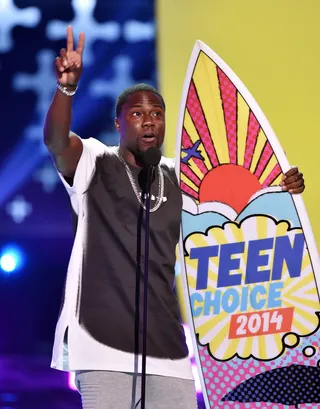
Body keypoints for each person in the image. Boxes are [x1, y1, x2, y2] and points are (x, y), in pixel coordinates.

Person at [43, 27, 305, 409]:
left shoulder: (180, 177)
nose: (149, 121)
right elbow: (55, 141)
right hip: (101, 347)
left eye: (157, 114)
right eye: (137, 114)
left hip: (168, 350)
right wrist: (66, 89)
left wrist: (281, 189)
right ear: (119, 124)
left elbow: (238, 208)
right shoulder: (94, 162)